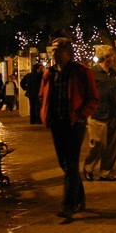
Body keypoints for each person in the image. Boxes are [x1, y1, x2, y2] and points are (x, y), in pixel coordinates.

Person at [40, 37, 99, 219]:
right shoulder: (50, 73)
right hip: (57, 123)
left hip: (74, 123)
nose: (54, 53)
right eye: (53, 50)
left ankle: (68, 204)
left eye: (58, 50)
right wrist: (45, 114)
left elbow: (93, 98)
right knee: (64, 163)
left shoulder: (80, 71)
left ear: (67, 52)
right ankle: (80, 198)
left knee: (70, 164)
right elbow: (43, 95)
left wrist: (82, 114)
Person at [83, 45, 116, 182]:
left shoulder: (113, 73)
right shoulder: (92, 73)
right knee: (98, 143)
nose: (113, 58)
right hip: (98, 113)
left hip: (113, 113)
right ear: (105, 57)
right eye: (111, 56)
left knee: (112, 145)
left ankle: (106, 171)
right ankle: (88, 167)